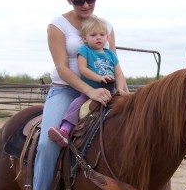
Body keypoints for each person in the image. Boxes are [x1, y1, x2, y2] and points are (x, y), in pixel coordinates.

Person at [26, 0, 127, 190]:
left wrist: (124, 91)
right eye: (79, 0)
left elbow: (114, 62)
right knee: (49, 145)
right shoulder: (57, 26)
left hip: (103, 89)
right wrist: (89, 90)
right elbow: (62, 67)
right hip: (67, 89)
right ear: (69, 0)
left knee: (137, 131)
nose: (86, 5)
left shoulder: (105, 25)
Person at [47, 15, 127, 147]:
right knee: (76, 104)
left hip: (109, 91)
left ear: (107, 37)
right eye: (93, 35)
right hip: (90, 89)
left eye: (102, 34)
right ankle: (65, 130)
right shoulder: (85, 51)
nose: (98, 37)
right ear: (85, 39)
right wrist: (99, 78)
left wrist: (121, 88)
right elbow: (83, 69)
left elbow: (118, 73)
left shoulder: (111, 54)